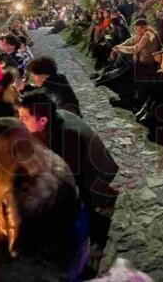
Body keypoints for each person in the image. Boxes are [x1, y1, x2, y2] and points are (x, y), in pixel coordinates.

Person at [0, 119, 89, 279]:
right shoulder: (48, 160)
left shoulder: (18, 196)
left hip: (58, 266)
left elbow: (20, 257)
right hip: (77, 240)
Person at [17, 92, 119, 246]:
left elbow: (72, 183)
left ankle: (96, 235)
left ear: (43, 120)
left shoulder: (67, 137)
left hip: (97, 186)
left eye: (24, 118)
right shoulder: (57, 116)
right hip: (86, 175)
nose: (19, 122)